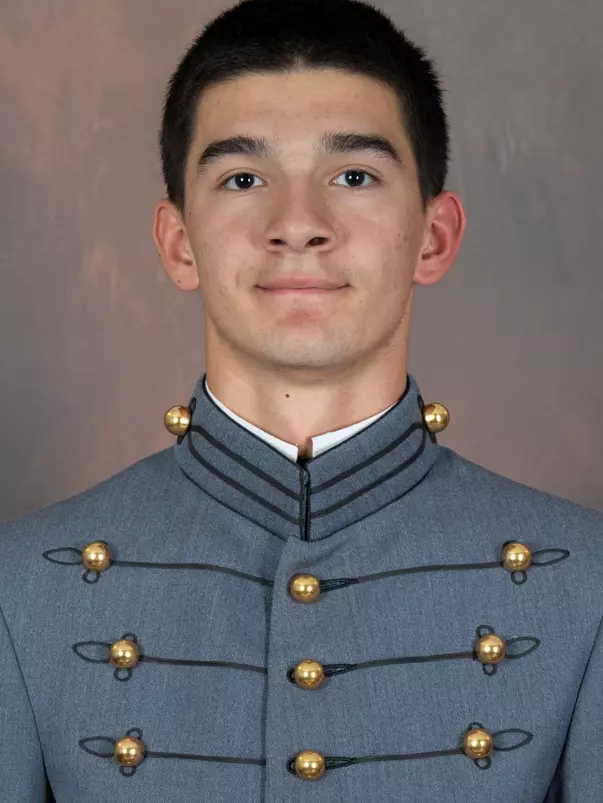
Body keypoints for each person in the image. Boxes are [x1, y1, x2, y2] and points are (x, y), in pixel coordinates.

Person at [0, 0, 601, 800]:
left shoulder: (585, 584)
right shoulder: (20, 588)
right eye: (243, 178)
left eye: (353, 176)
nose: (297, 224)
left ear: (433, 237)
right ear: (179, 243)